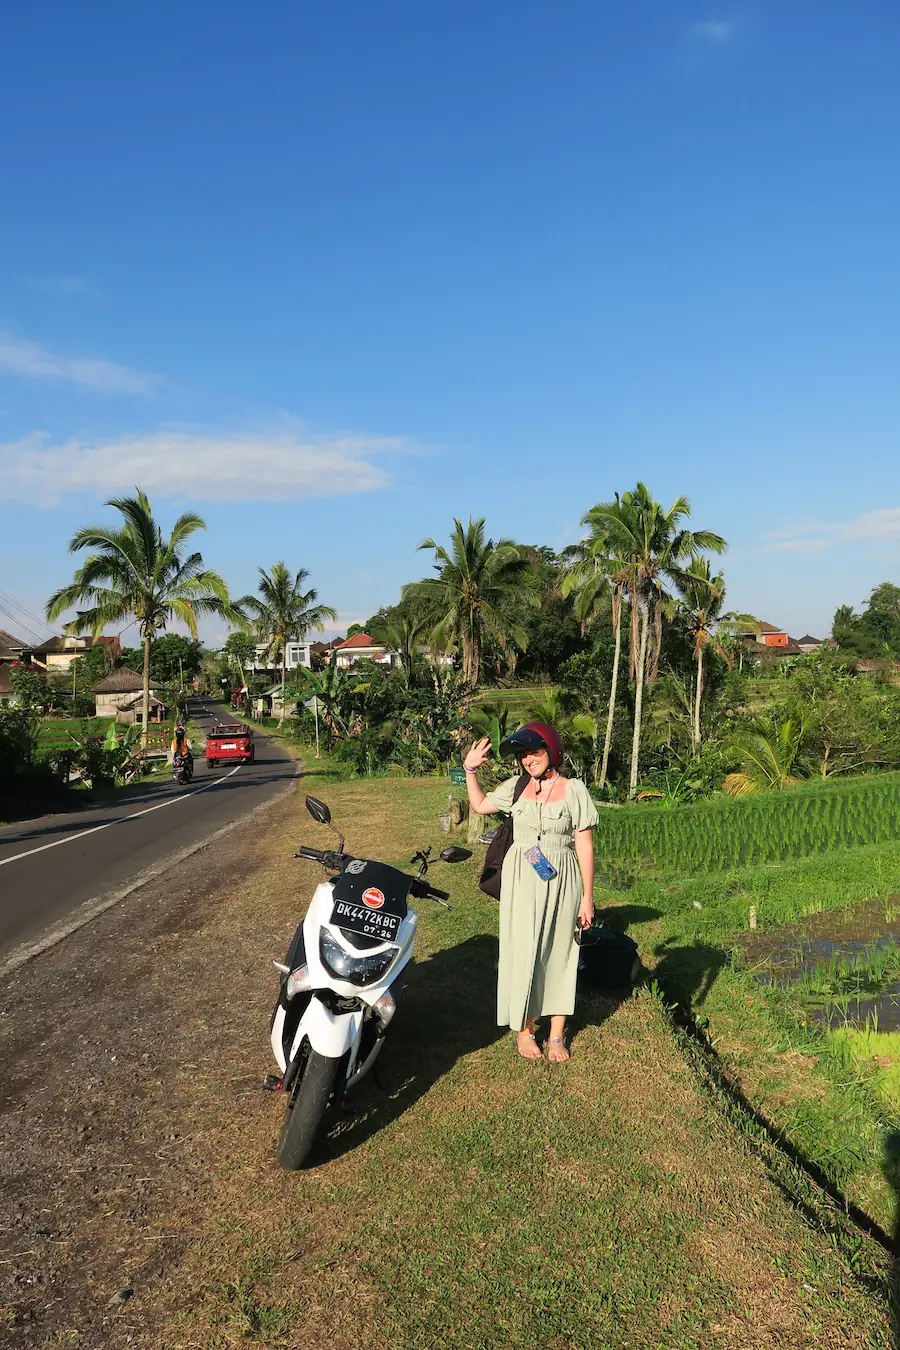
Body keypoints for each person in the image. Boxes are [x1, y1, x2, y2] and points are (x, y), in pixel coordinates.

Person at [463, 722, 598, 1062]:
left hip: (562, 878)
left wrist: (587, 897)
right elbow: (479, 806)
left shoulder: (574, 790)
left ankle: (555, 1035)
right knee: (520, 949)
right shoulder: (516, 786)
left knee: (560, 951)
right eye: (523, 755)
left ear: (552, 752)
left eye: (534, 753)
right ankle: (523, 1030)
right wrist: (469, 770)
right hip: (522, 875)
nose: (527, 760)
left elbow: (584, 844)